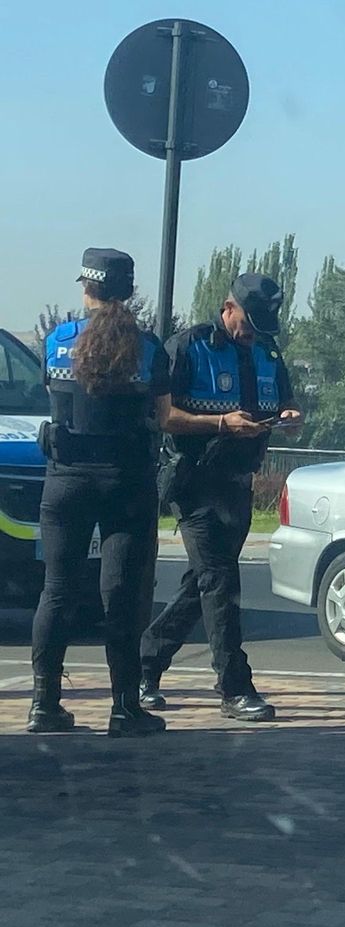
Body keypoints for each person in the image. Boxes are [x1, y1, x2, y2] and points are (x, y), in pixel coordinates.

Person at [138, 274, 302, 722]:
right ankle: (234, 686)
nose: (251, 334)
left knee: (203, 584)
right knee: (221, 584)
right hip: (194, 481)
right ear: (227, 308)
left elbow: (282, 400)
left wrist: (286, 415)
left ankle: (144, 665)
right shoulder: (188, 347)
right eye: (247, 323)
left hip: (239, 483)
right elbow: (165, 416)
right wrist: (221, 425)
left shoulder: (266, 351)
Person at [29, 248, 171, 736]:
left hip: (65, 482)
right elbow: (162, 414)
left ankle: (44, 704)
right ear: (127, 292)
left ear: (86, 288)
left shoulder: (56, 341)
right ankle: (125, 709)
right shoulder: (149, 349)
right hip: (125, 485)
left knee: (57, 591)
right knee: (122, 596)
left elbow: (57, 391)